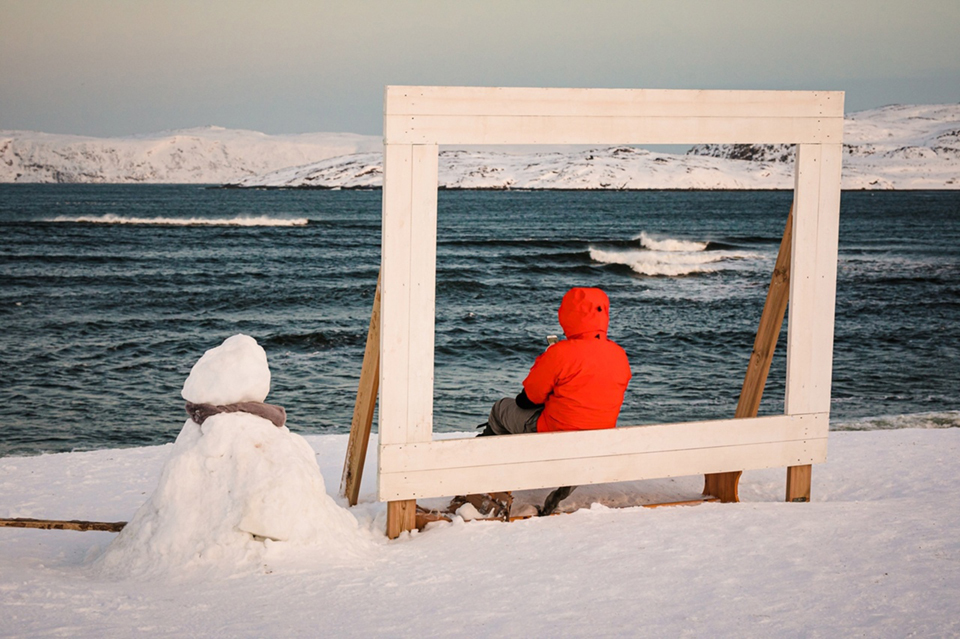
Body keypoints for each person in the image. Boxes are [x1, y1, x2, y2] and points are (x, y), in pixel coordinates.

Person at [480, 287, 632, 437]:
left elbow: (528, 399)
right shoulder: (619, 354)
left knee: (500, 408)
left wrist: (546, 360)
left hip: (555, 433)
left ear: (568, 314)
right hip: (600, 434)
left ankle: (479, 454)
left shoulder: (560, 352)